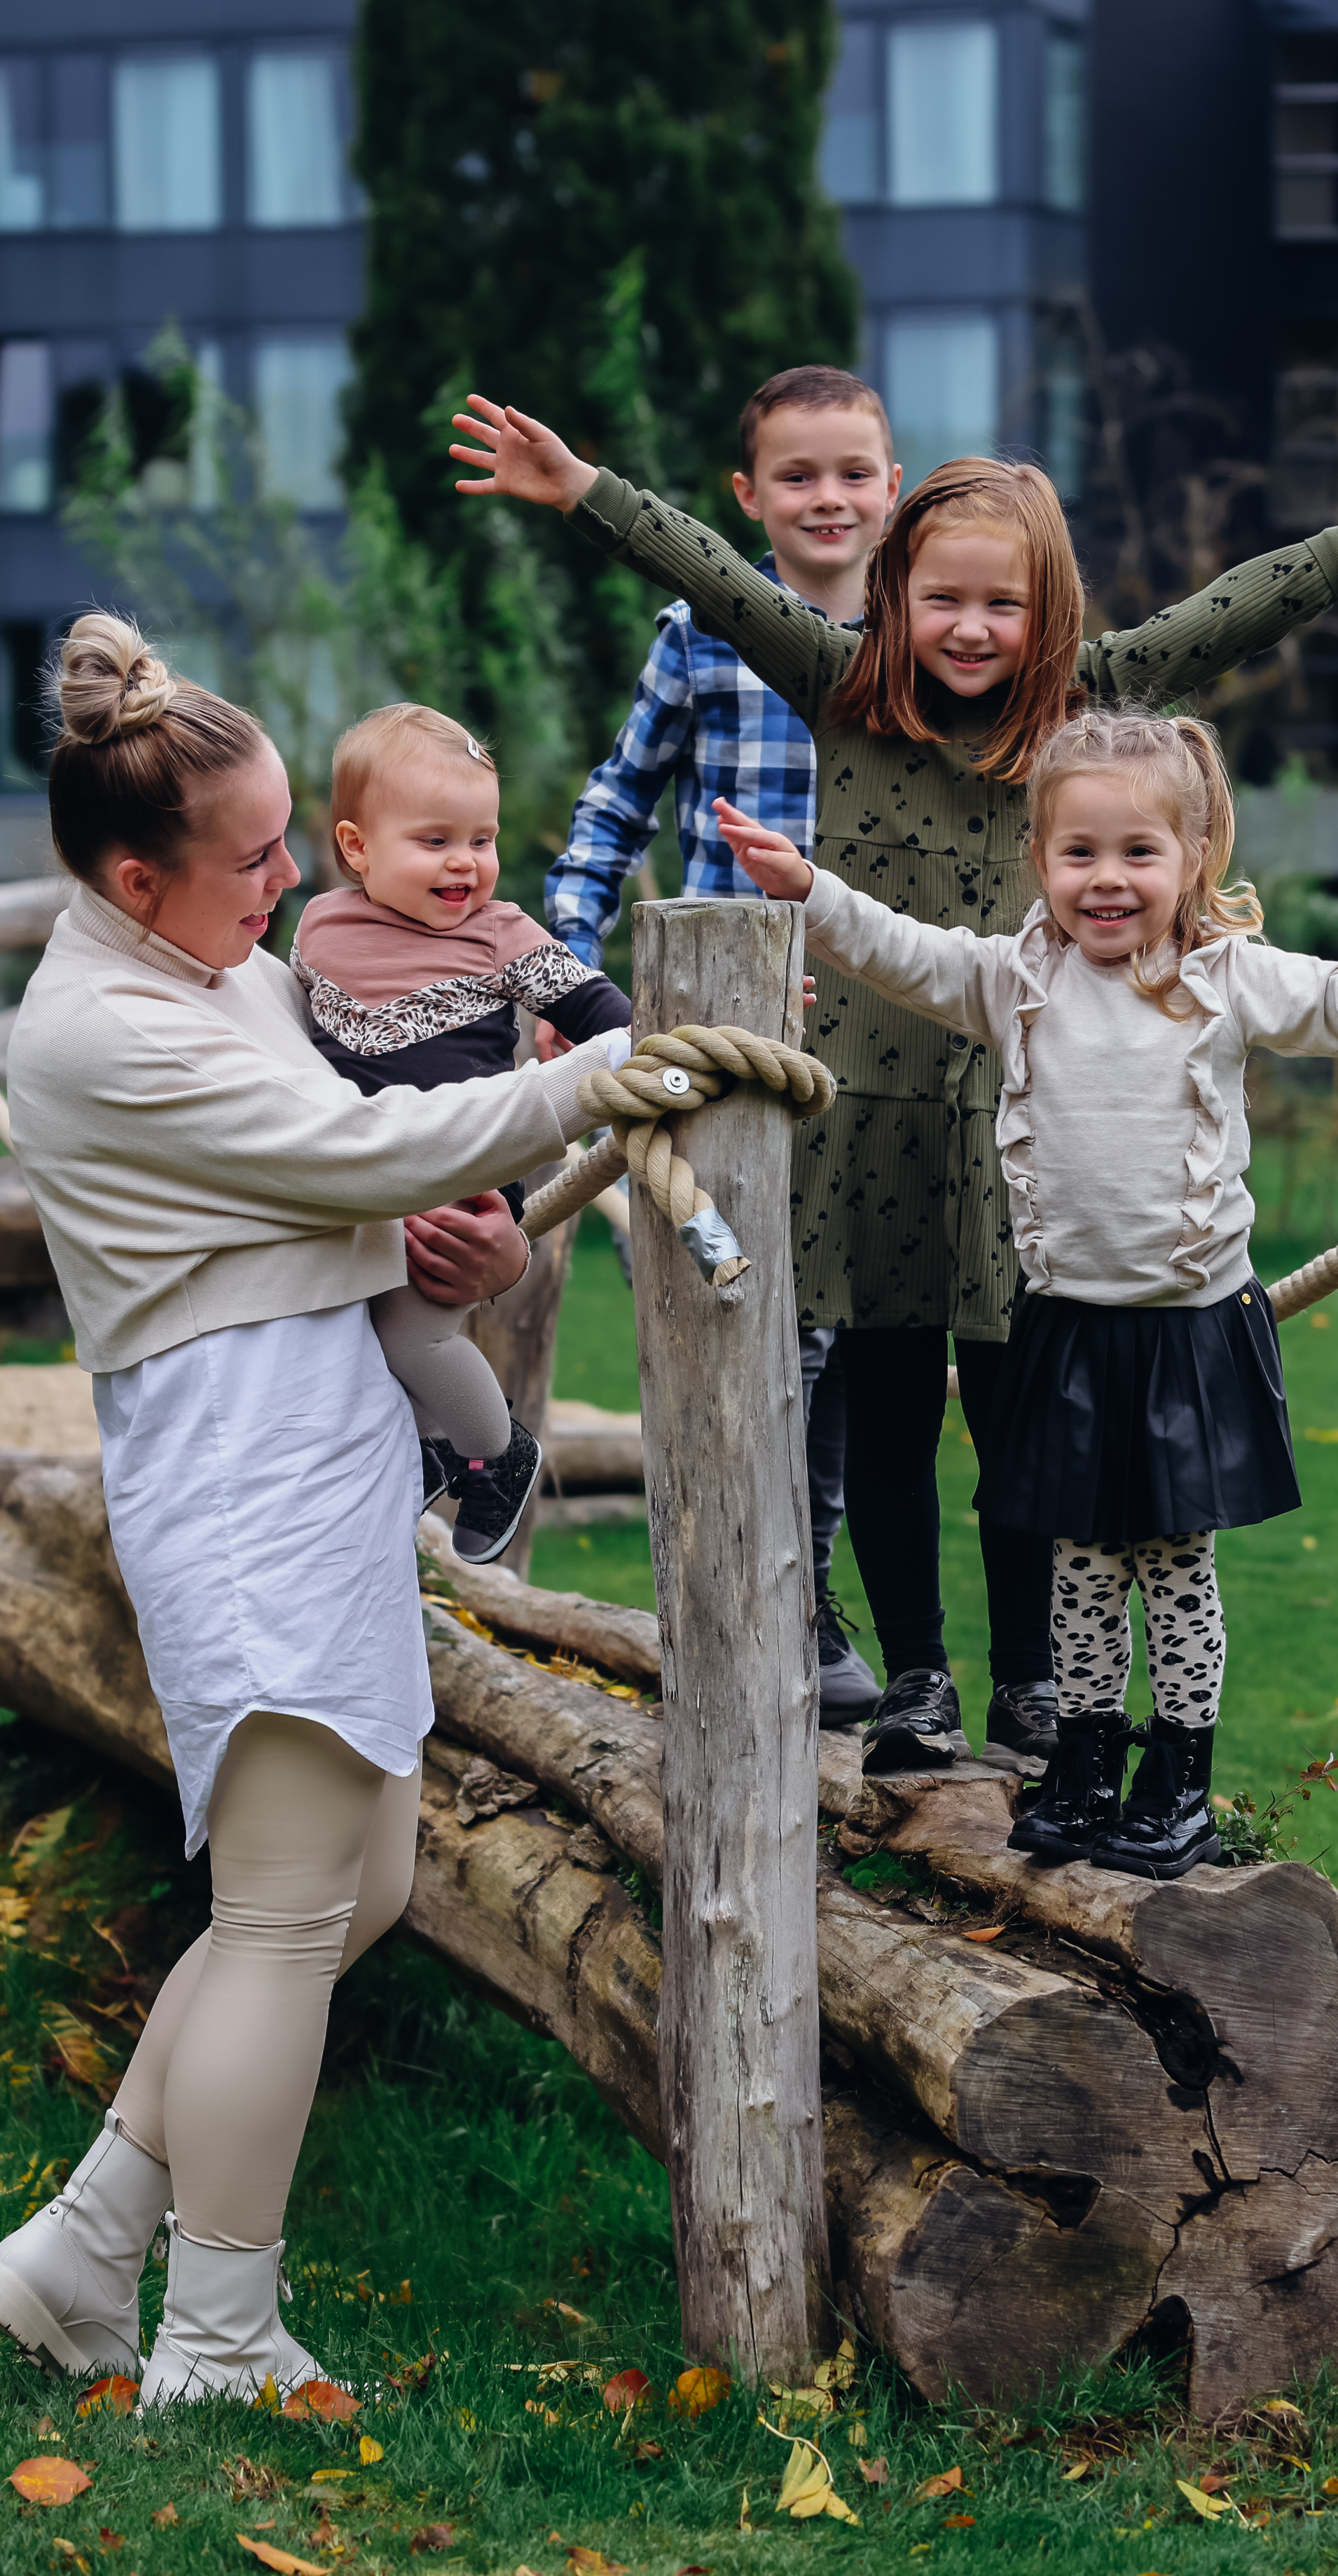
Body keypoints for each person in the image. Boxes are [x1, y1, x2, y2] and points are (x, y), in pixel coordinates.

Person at [455, 392, 1338, 1776]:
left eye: (1000, 606)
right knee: (886, 1416)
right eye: (941, 599)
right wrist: (583, 484)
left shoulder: (1080, 711)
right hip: (870, 1120)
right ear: (895, 592)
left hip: (1030, 1133)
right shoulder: (837, 680)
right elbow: (707, 569)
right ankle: (919, 1682)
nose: (969, 629)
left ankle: (1028, 1688)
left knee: (1025, 1425)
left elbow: (1236, 615)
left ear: (1046, 610)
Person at [0, 612, 635, 2406]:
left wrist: (472, 1237)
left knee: (366, 1881)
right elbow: (351, 1156)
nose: (286, 884)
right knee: (274, 1913)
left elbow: (356, 1168)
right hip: (242, 1474)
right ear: (130, 875)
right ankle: (216, 2331)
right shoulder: (96, 1029)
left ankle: (86, 2248)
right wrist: (597, 1077)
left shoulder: (217, 971)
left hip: (324, 1456)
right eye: (251, 858)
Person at [706, 709, 1338, 1878]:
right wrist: (809, 888)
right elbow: (898, 950)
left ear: (1192, 858)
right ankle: (1077, 1760)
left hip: (1185, 1336)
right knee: (1078, 1568)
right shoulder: (1016, 980)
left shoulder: (1224, 980)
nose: (1105, 881)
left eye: (1136, 854)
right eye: (1079, 854)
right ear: (1041, 860)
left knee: (1171, 1568)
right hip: (1067, 1330)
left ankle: (1178, 1780)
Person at [542, 365, 902, 1727]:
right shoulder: (703, 630)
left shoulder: (928, 632)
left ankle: (837, 1603)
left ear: (892, 486)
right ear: (748, 497)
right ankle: (779, 1605)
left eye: (852, 472)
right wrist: (564, 960)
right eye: (797, 476)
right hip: (730, 1024)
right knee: (762, 1316)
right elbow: (620, 800)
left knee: (867, 1328)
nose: (827, 497)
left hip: (879, 1024)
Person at [291, 701, 633, 1563]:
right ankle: (433, 1446)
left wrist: (716, 1025)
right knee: (360, 1336)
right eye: (435, 840)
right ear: (356, 846)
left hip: (461, 1181)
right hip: (359, 1182)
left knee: (416, 1333)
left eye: (481, 839)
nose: (466, 864)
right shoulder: (321, 928)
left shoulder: (501, 934)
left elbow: (613, 1016)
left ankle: (499, 1451)